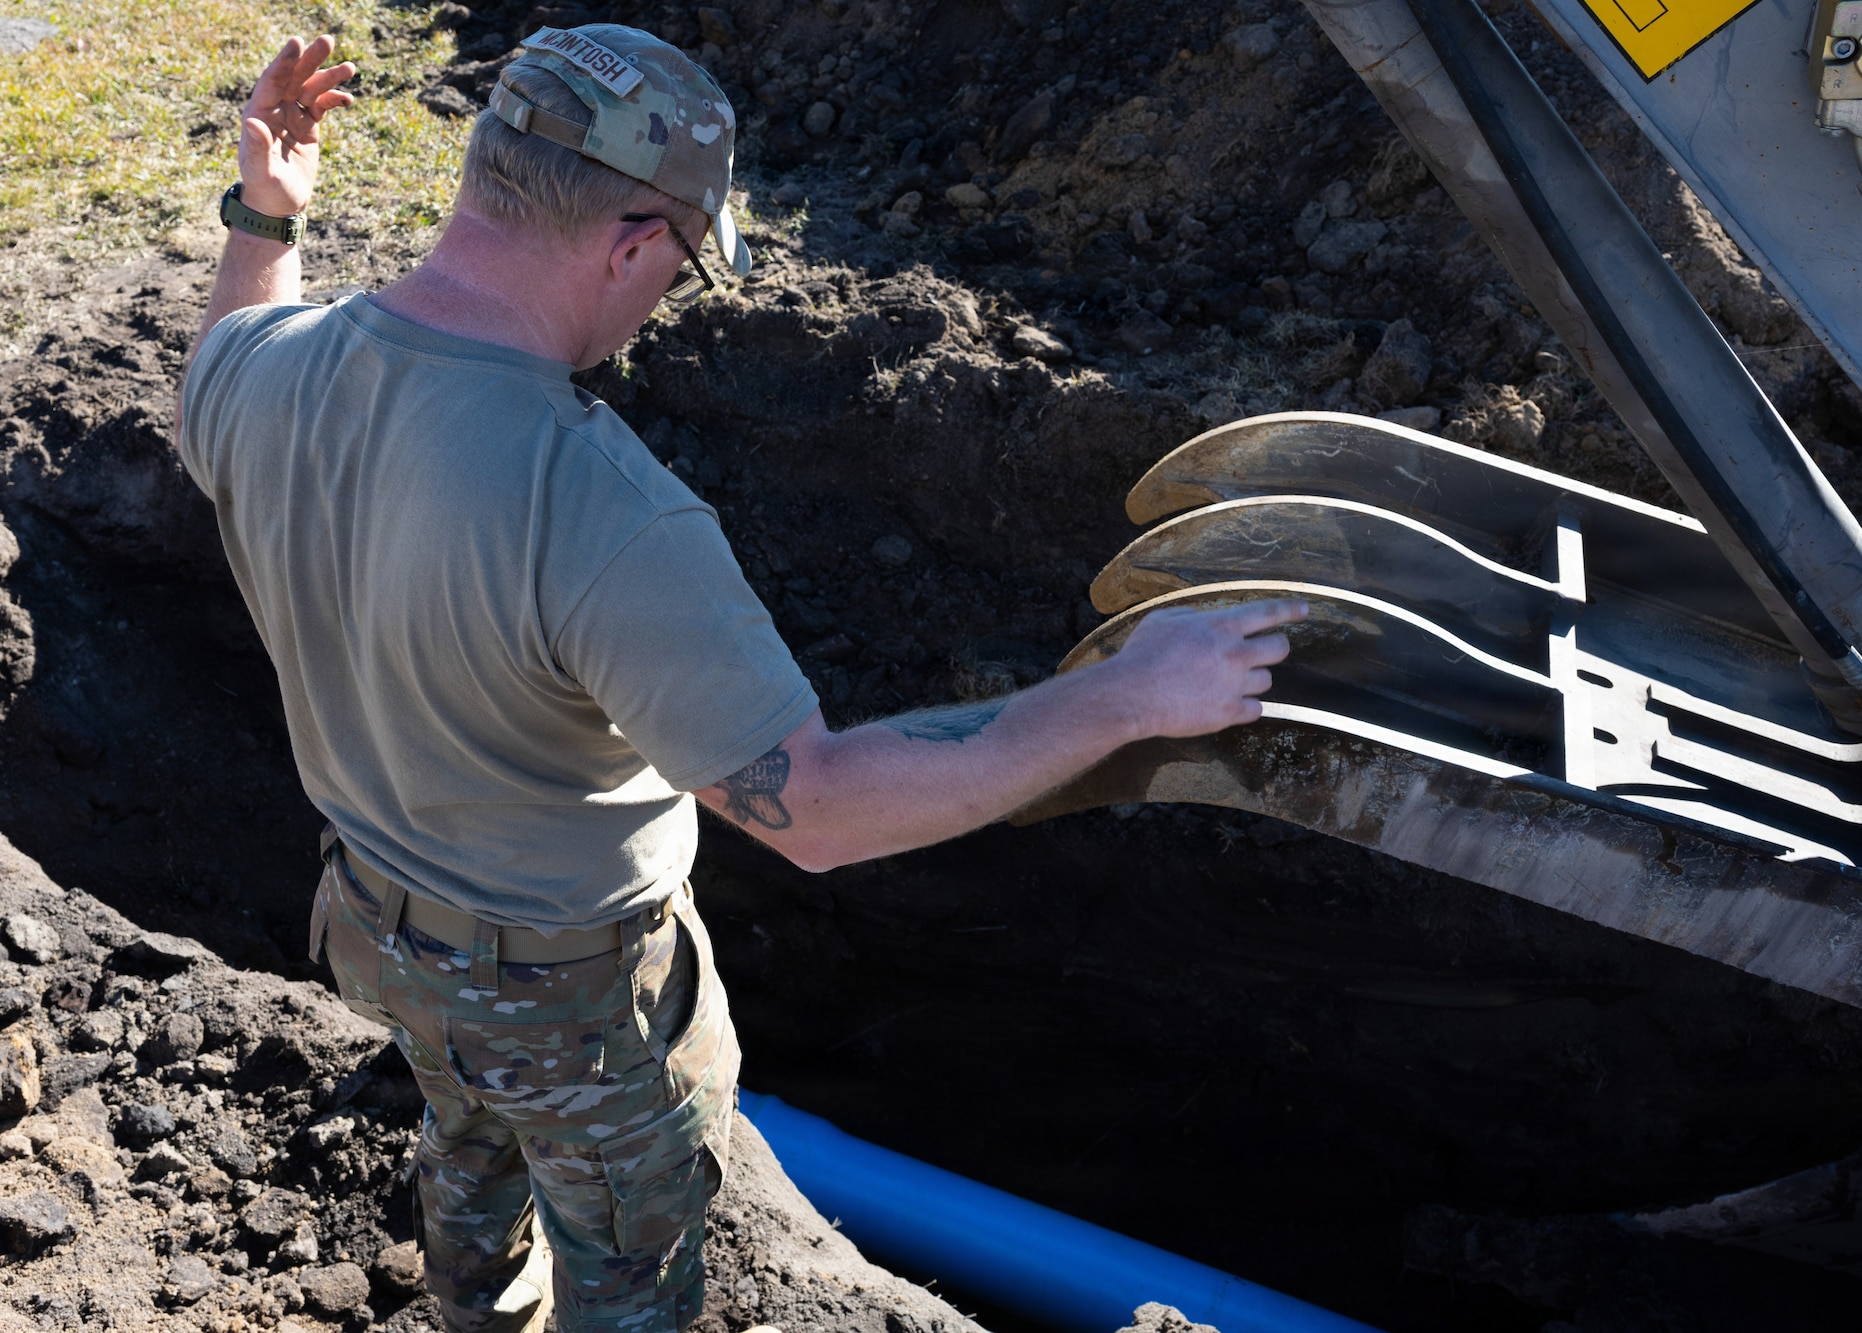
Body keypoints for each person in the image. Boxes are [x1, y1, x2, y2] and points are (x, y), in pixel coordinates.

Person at [176, 25, 1307, 1333]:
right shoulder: (600, 513)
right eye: (674, 274)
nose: (660, 304)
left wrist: (265, 212)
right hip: (570, 995)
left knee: (469, 1140)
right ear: (635, 244)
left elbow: (235, 331)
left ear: (488, 172)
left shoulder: (265, 377)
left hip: (378, 931)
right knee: (630, 1261)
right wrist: (1125, 695)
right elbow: (813, 806)